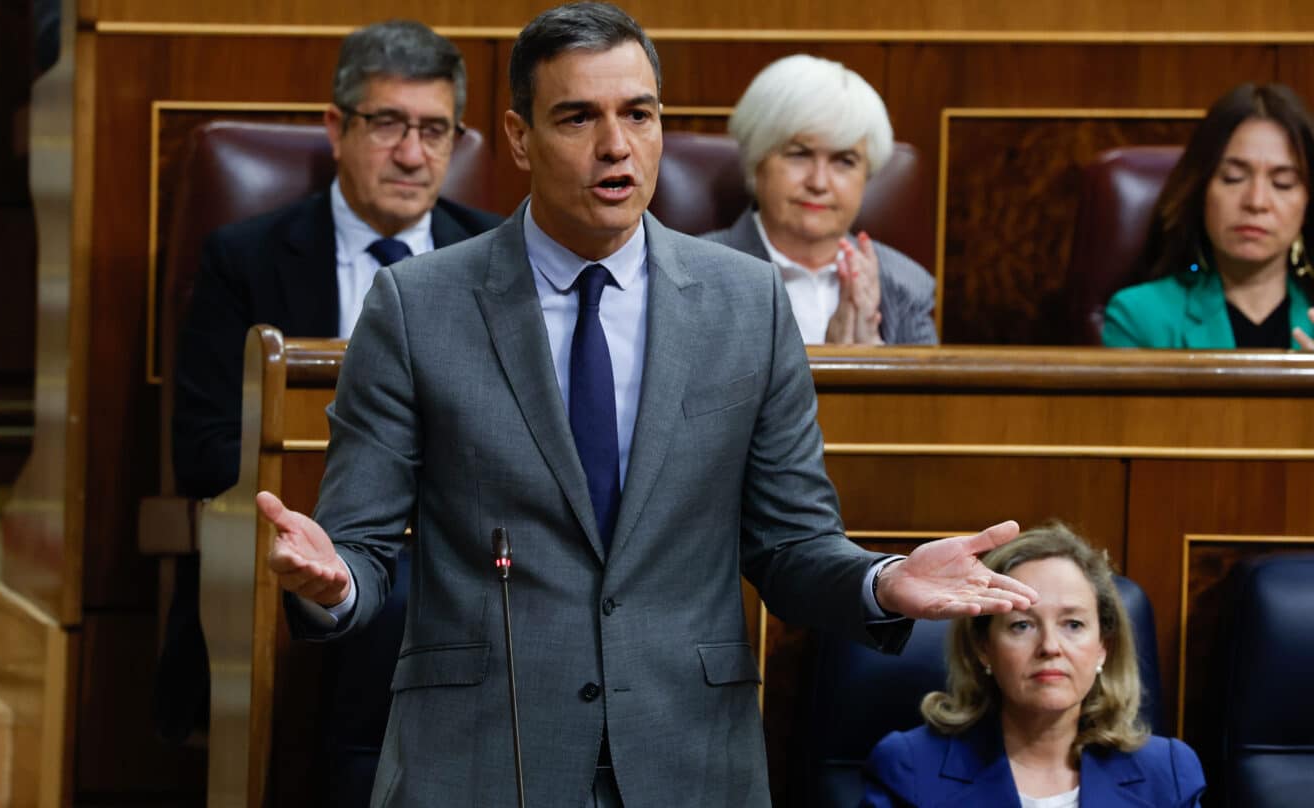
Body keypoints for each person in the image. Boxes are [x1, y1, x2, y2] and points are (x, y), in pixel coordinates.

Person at [258, 4, 1038, 806]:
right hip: (483, 754)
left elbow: (790, 542)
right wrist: (334, 584)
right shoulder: (417, 305)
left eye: (639, 113)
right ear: (519, 137)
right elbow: (360, 546)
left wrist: (882, 580)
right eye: (577, 117)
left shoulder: (746, 303)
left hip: (689, 756)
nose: (616, 145)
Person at [159, 19, 502, 802]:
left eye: (433, 130)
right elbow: (208, 450)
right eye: (387, 125)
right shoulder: (244, 259)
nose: (412, 155)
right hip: (291, 563)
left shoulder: (498, 260)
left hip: (471, 567)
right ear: (337, 128)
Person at [863, 524, 1206, 807]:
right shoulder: (910, 767)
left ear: (1104, 646)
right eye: (1022, 625)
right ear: (984, 647)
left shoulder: (1169, 773)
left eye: (1073, 624)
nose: (1050, 647)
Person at [703, 54, 936, 346]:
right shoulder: (693, 275)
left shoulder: (905, 285)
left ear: (867, 174)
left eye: (845, 161)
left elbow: (930, 393)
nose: (819, 182)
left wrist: (878, 365)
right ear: (756, 161)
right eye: (799, 154)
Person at [1103, 83, 1314, 349]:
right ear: (1200, 188)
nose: (1256, 202)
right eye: (1233, 178)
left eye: (1283, 182)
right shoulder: (1140, 317)